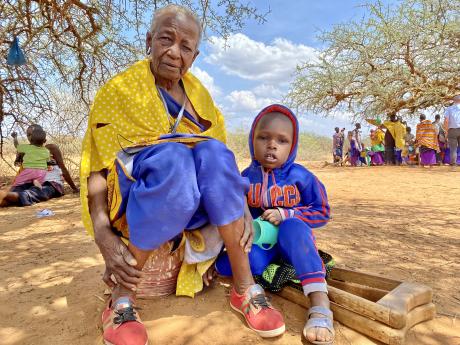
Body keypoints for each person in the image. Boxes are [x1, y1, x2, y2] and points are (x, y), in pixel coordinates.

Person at [80, 5, 284, 345]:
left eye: (185, 46)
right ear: (149, 41)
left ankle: (245, 288)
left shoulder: (200, 96)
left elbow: (222, 166)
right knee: (174, 158)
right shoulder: (119, 90)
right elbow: (98, 169)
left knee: (216, 153)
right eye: (166, 39)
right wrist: (102, 231)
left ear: (195, 54)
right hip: (138, 193)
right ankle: (121, 299)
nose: (174, 52)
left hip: (194, 199)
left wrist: (243, 210)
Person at [216, 105, 333, 345]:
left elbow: (322, 211)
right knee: (236, 265)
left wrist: (287, 213)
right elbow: (235, 216)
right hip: (265, 244)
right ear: (252, 140)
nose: (272, 145)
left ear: (292, 147)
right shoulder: (246, 176)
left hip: (294, 244)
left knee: (292, 227)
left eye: (282, 140)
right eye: (264, 137)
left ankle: (320, 304)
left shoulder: (302, 177)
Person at [0, 124, 79, 207]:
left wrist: (74, 188)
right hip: (33, 183)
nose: (29, 137)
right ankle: (6, 197)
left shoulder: (51, 148)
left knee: (38, 192)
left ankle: (10, 196)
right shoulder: (27, 151)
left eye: (31, 134)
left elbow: (63, 169)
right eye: (28, 135)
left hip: (52, 183)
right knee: (16, 189)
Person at [444, 95, 460, 167]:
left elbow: (446, 121)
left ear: (453, 101)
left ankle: (453, 163)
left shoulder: (449, 109)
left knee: (453, 148)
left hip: (452, 130)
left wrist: (446, 131)